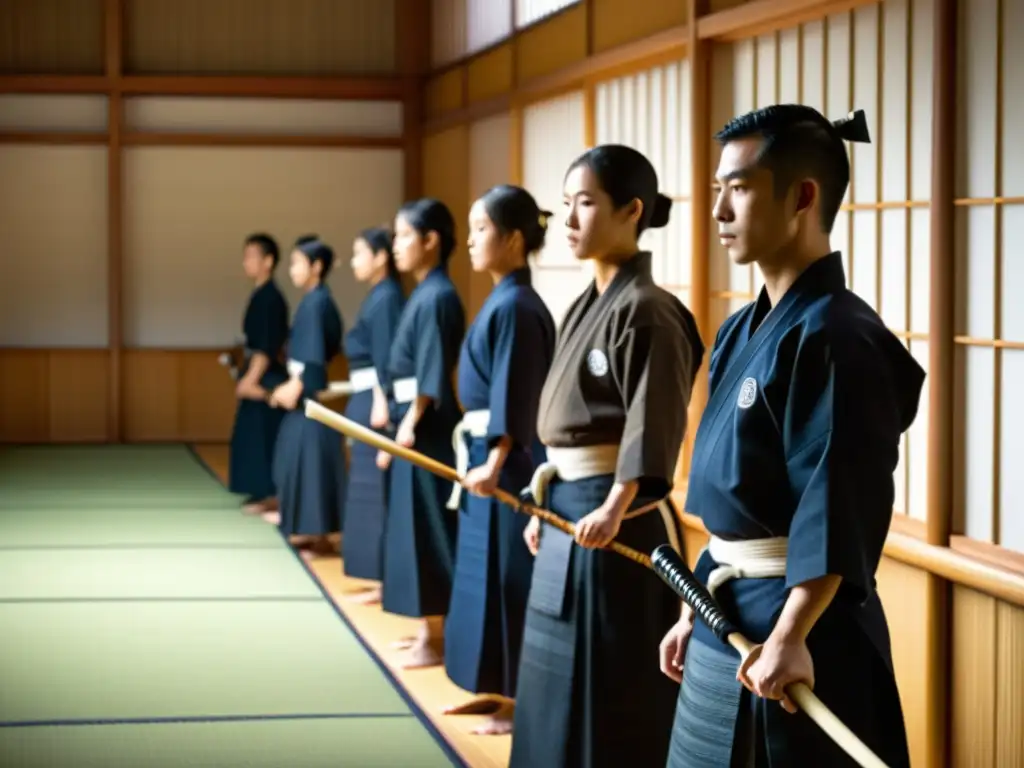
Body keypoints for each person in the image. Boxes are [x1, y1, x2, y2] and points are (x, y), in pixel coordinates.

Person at [659, 105, 920, 768]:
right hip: (730, 609)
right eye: (718, 189)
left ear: (802, 196)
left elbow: (838, 500)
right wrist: (696, 603)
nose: (718, 211)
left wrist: (792, 632)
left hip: (799, 624)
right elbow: (733, 507)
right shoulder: (740, 330)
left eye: (738, 189)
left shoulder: (839, 336)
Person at [508, 145, 705, 768]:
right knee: (548, 678)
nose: (568, 219)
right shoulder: (584, 305)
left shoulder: (651, 312)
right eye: (564, 204)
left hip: (613, 516)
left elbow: (655, 427)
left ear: (632, 211)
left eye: (585, 203)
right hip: (569, 507)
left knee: (606, 687)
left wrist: (618, 505)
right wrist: (544, 505)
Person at [441, 185, 557, 735]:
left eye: (480, 229)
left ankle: (519, 702)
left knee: (511, 585)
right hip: (488, 457)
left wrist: (494, 460)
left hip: (507, 469)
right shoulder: (503, 298)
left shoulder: (516, 306)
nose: (469, 241)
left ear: (513, 240)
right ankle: (496, 691)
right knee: (482, 581)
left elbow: (515, 392)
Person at [378, 198, 466, 669]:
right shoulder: (425, 292)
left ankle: (436, 638)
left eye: (404, 236)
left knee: (430, 532)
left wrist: (407, 427)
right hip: (413, 426)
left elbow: (432, 373)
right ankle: (423, 632)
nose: (396, 246)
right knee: (413, 531)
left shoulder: (438, 296)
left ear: (431, 240)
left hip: (427, 432)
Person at [266, 235, 347, 561]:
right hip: (300, 388)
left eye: (298, 263)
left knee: (312, 466)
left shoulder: (318, 302)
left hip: (309, 395)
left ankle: (319, 535)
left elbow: (313, 359)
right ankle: (303, 527)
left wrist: (294, 388)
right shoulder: (314, 300)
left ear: (316, 267)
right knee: (293, 459)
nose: (293, 269)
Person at [340, 227, 405, 604]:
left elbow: (386, 358)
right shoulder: (380, 296)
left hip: (376, 403)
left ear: (381, 257)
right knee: (366, 490)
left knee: (377, 492)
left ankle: (385, 580)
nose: (354, 261)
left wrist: (383, 404)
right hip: (365, 396)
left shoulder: (387, 299)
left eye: (359, 253)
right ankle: (377, 578)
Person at [227, 233, 290, 515]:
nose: (246, 262)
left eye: (252, 256)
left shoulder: (271, 298)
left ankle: (272, 496)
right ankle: (261, 493)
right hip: (258, 368)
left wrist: (251, 380)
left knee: (264, 433)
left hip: (266, 374)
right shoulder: (261, 294)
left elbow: (267, 344)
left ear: (268, 261)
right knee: (252, 434)